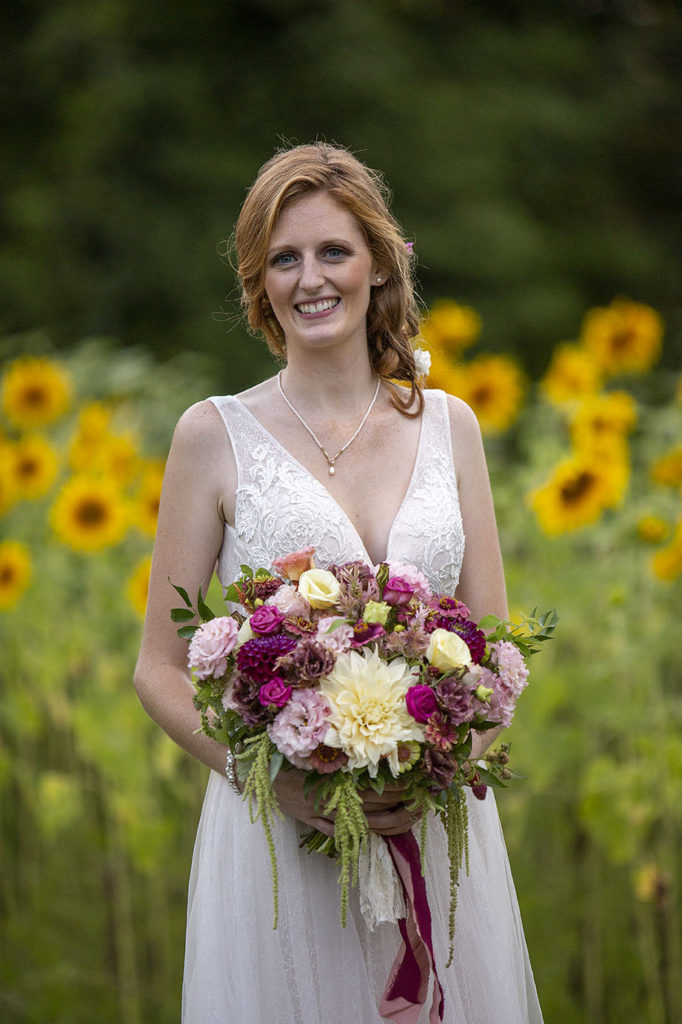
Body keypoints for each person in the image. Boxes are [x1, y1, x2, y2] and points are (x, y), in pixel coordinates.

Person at [134, 142, 543, 1024]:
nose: (310, 279)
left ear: (378, 266)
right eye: (284, 258)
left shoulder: (451, 426)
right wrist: (272, 782)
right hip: (281, 842)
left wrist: (435, 768)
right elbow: (158, 670)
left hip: (429, 830)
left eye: (332, 252)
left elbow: (496, 653)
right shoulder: (214, 435)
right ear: (261, 282)